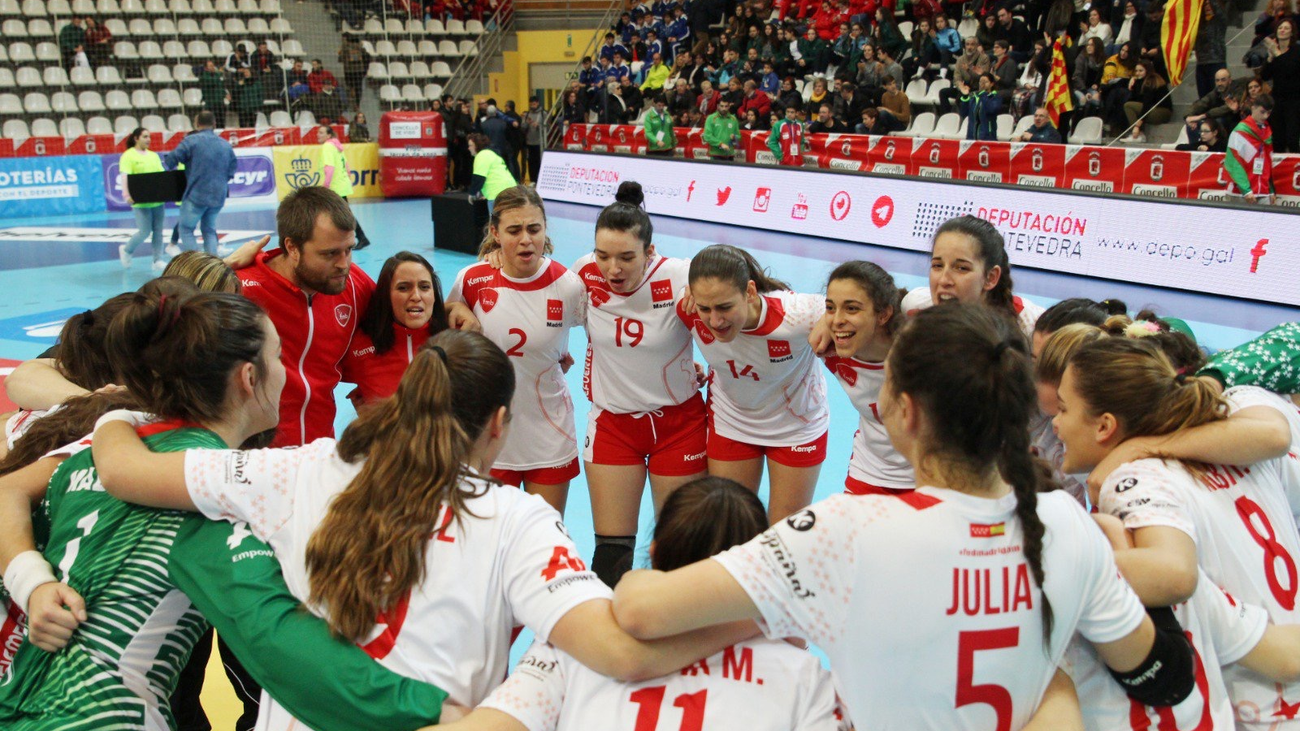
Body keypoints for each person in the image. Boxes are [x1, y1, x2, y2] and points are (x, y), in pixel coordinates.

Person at [612, 303, 1197, 730]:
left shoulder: (849, 530)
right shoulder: (1064, 524)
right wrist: (1058, 679)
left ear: (907, 412)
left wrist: (645, 578)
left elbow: (641, 612)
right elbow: (1162, 675)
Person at [0, 289, 457, 731]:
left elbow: (8, 494)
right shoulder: (217, 494)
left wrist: (31, 583)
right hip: (99, 715)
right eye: (278, 357)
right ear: (249, 378)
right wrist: (435, 711)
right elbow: (274, 640)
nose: (286, 373)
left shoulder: (89, 456)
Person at [448, 477, 850, 731]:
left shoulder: (575, 644)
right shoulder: (802, 673)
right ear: (755, 565)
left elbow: (496, 724)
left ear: (654, 553)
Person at [1055, 336, 1300, 729]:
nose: (1055, 422)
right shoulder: (1240, 414)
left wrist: (1032, 554)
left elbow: (1173, 574)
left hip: (1261, 710)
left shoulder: (1134, 481)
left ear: (1105, 425)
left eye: (1064, 409)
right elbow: (1276, 435)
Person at [566, 183, 706, 587]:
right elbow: (537, 292)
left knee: (678, 550)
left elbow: (744, 296)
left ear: (650, 251)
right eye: (604, 256)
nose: (614, 270)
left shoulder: (680, 274)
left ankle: (675, 640)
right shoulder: (583, 273)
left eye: (627, 257)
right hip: (613, 427)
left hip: (679, 427)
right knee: (611, 554)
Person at [448, 186, 585, 514]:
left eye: (534, 229)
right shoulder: (472, 280)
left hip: (549, 433)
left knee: (545, 541)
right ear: (495, 233)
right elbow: (446, 321)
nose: (526, 239)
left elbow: (607, 330)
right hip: (488, 437)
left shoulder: (568, 285)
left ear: (544, 229)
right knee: (489, 545)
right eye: (514, 231)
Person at [676, 245, 828, 523]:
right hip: (733, 420)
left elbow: (846, 313)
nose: (715, 320)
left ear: (749, 292)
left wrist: (830, 323)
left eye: (725, 307)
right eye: (705, 308)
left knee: (784, 531)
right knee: (730, 525)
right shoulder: (688, 308)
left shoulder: (800, 315)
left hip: (796, 425)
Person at [235, 187, 375, 448]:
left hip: (317, 455)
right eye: (330, 253)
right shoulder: (241, 288)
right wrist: (218, 267)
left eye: (349, 250)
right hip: (252, 462)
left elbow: (406, 326)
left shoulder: (354, 285)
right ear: (292, 247)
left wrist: (456, 308)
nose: (344, 263)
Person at [821, 261, 912, 495]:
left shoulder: (922, 351)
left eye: (851, 308)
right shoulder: (829, 343)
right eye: (831, 307)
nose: (837, 320)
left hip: (927, 477)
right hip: (868, 472)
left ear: (883, 315)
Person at [901, 215, 1045, 339]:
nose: (944, 280)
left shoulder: (1032, 327)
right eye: (937, 265)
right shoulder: (915, 307)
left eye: (962, 268)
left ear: (991, 278)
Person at [342, 252, 448, 405]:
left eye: (424, 287)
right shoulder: (360, 345)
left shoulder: (455, 341)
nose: (416, 296)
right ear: (386, 295)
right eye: (403, 288)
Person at [164, 110, 238, 256]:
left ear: (197, 124)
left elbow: (171, 160)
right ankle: (211, 267)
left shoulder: (191, 141)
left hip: (196, 195)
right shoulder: (225, 145)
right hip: (218, 196)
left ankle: (197, 267)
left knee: (186, 229)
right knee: (209, 230)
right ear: (214, 124)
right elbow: (232, 170)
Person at [117, 127, 168, 272]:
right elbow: (124, 176)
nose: (148, 140)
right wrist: (127, 195)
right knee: (144, 231)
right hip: (140, 200)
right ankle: (127, 250)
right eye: (145, 137)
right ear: (136, 138)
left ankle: (157, 259)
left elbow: (161, 175)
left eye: (149, 137)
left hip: (157, 199)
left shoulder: (154, 155)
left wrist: (165, 191)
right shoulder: (128, 156)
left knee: (158, 231)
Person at [317, 125, 370, 251]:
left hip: (334, 187)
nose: (318, 134)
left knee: (338, 214)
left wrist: (326, 186)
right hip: (341, 184)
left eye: (321, 132)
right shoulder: (337, 146)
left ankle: (360, 237)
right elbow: (347, 167)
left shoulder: (327, 147)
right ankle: (359, 237)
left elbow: (329, 168)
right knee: (340, 213)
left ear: (328, 135)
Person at [1225, 94, 1276, 204]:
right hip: (1239, 192)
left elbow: (1268, 163)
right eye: (1262, 112)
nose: (1265, 116)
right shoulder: (1240, 132)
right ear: (1253, 108)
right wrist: (1246, 190)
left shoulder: (1267, 132)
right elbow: (1234, 164)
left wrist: (1271, 190)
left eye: (1269, 113)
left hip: (1263, 190)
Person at [1258, 18, 1298, 153]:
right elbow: (1264, 76)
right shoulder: (1273, 51)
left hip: (1294, 100)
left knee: (1292, 137)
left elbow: (1289, 70)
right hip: (1277, 100)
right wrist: (1269, 59)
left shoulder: (1296, 51)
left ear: (1292, 33)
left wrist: (1277, 54)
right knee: (1277, 137)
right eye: (1280, 28)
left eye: (1286, 28)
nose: (1282, 30)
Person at [1120, 60, 1172, 143]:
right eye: (1136, 71)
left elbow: (1146, 104)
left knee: (1128, 106)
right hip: (1152, 108)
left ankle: (1138, 135)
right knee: (1129, 105)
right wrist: (1133, 86)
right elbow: (1137, 100)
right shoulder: (1140, 81)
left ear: (1147, 70)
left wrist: (1137, 126)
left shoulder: (1151, 80)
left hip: (1162, 111)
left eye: (1141, 71)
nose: (1137, 73)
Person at [467, 132, 517, 214]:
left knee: (497, 223)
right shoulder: (492, 154)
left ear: (476, 145)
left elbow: (479, 178)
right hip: (511, 191)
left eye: (470, 145)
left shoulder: (481, 156)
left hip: (497, 194)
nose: (468, 148)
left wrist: (472, 193)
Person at [957, 72, 1003, 140]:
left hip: (988, 138)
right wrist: (965, 96)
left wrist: (984, 94)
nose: (982, 84)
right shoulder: (974, 97)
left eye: (985, 82)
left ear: (992, 84)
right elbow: (963, 113)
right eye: (981, 81)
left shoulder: (995, 97)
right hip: (971, 137)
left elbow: (992, 109)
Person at [338, 35, 373, 110]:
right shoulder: (360, 48)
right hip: (359, 70)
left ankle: (351, 91)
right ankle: (357, 104)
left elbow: (340, 59)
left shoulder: (345, 48)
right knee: (358, 87)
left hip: (349, 70)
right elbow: (368, 57)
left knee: (349, 84)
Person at [522, 97, 545, 182]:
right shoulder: (527, 114)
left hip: (539, 143)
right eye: (531, 104)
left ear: (538, 103)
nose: (533, 106)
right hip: (529, 142)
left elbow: (547, 128)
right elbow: (522, 127)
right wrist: (526, 123)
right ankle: (532, 181)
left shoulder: (543, 114)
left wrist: (538, 126)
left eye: (534, 104)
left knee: (539, 162)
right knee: (531, 164)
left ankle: (540, 180)